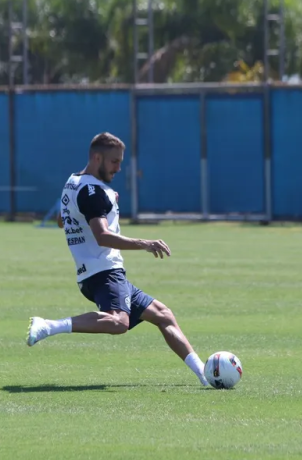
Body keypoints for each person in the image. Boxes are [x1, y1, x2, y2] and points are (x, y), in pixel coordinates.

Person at [26, 132, 209, 386]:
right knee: (119, 322)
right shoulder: (93, 191)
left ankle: (204, 374)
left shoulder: (74, 182)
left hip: (94, 273)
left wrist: (105, 204)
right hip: (104, 271)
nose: (119, 168)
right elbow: (102, 236)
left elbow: (62, 220)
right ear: (97, 157)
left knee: (163, 315)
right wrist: (144, 243)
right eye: (114, 161)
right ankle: (48, 326)